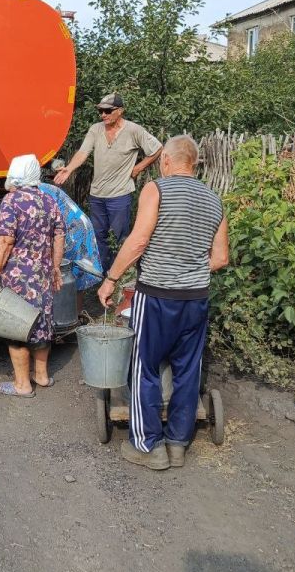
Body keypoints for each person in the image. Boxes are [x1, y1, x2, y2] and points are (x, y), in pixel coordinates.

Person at [97, 135, 229, 471]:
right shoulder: (214, 200)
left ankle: (147, 446)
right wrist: (189, 269)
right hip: (195, 299)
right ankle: (177, 444)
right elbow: (220, 258)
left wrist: (111, 279)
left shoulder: (156, 189)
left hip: (156, 296)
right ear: (194, 163)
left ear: (166, 161)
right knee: (188, 370)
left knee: (144, 368)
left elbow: (138, 241)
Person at [0, 154, 64, 398]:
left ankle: (22, 385)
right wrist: (56, 268)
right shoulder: (49, 200)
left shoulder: (12, 200)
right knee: (42, 323)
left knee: (16, 327)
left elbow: (6, 241)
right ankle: (42, 376)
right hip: (43, 274)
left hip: (19, 276)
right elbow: (59, 236)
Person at [53, 93, 162, 268]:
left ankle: (120, 272)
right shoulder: (96, 129)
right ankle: (101, 273)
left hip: (120, 194)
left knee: (120, 237)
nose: (103, 115)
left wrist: (138, 167)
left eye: (107, 111)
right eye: (101, 111)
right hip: (97, 194)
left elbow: (157, 148)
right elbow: (83, 152)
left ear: (120, 111)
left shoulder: (134, 130)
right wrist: (69, 168)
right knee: (98, 237)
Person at [36, 182, 102, 295]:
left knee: (72, 274)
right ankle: (70, 304)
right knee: (69, 275)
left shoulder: (38, 194)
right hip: (71, 226)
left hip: (74, 229)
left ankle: (71, 305)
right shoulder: (37, 188)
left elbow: (46, 230)